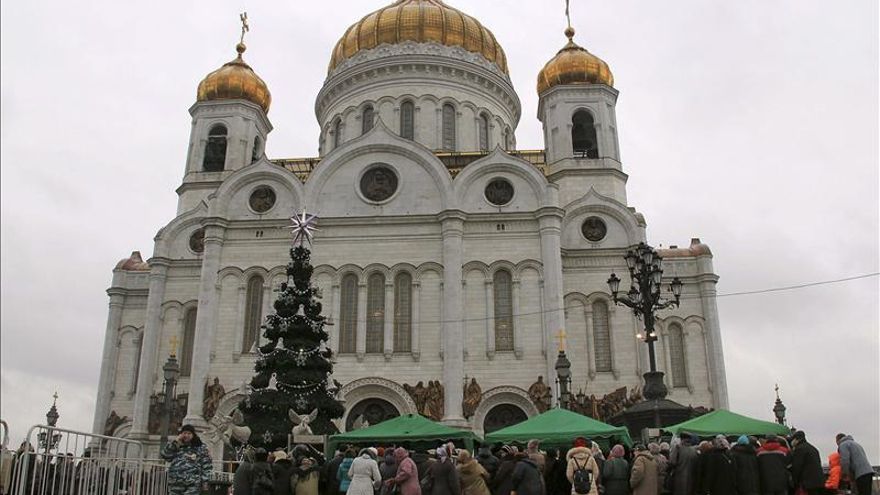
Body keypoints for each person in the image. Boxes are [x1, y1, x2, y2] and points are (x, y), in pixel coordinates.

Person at [160, 425, 213, 495]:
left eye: (189, 433)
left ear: (193, 435)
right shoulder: (176, 445)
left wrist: (205, 481)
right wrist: (175, 442)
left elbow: (207, 465)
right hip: (175, 483)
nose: (186, 435)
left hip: (192, 483)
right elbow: (165, 455)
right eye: (184, 433)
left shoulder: (200, 447)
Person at [789, 431, 824, 495]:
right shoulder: (813, 448)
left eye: (793, 439)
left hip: (808, 483)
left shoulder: (799, 449)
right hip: (818, 481)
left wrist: (794, 482)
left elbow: (797, 467)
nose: (792, 441)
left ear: (797, 439)